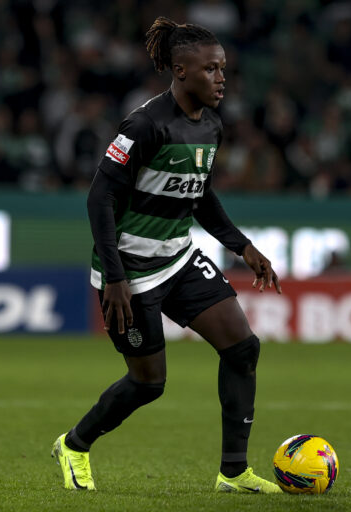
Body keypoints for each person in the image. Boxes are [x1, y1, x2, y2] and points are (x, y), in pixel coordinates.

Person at [51, 16, 283, 494]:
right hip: (130, 272)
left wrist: (242, 245)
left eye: (223, 69)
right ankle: (74, 443)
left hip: (177, 257)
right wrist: (115, 278)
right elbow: (99, 198)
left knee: (243, 348)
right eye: (210, 70)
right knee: (148, 384)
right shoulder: (144, 125)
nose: (221, 78)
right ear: (180, 70)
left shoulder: (212, 127)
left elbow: (199, 196)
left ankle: (233, 473)